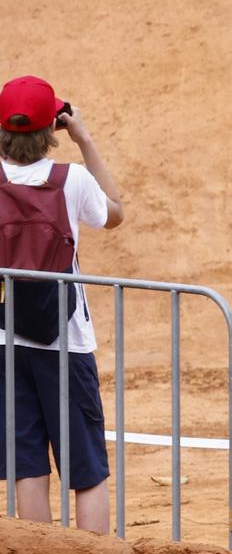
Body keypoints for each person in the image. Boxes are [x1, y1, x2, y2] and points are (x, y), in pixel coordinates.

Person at [0, 75, 125, 533]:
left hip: (6, 339)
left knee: (28, 464)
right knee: (86, 466)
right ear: (52, 128)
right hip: (65, 340)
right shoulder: (70, 180)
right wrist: (85, 138)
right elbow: (115, 211)